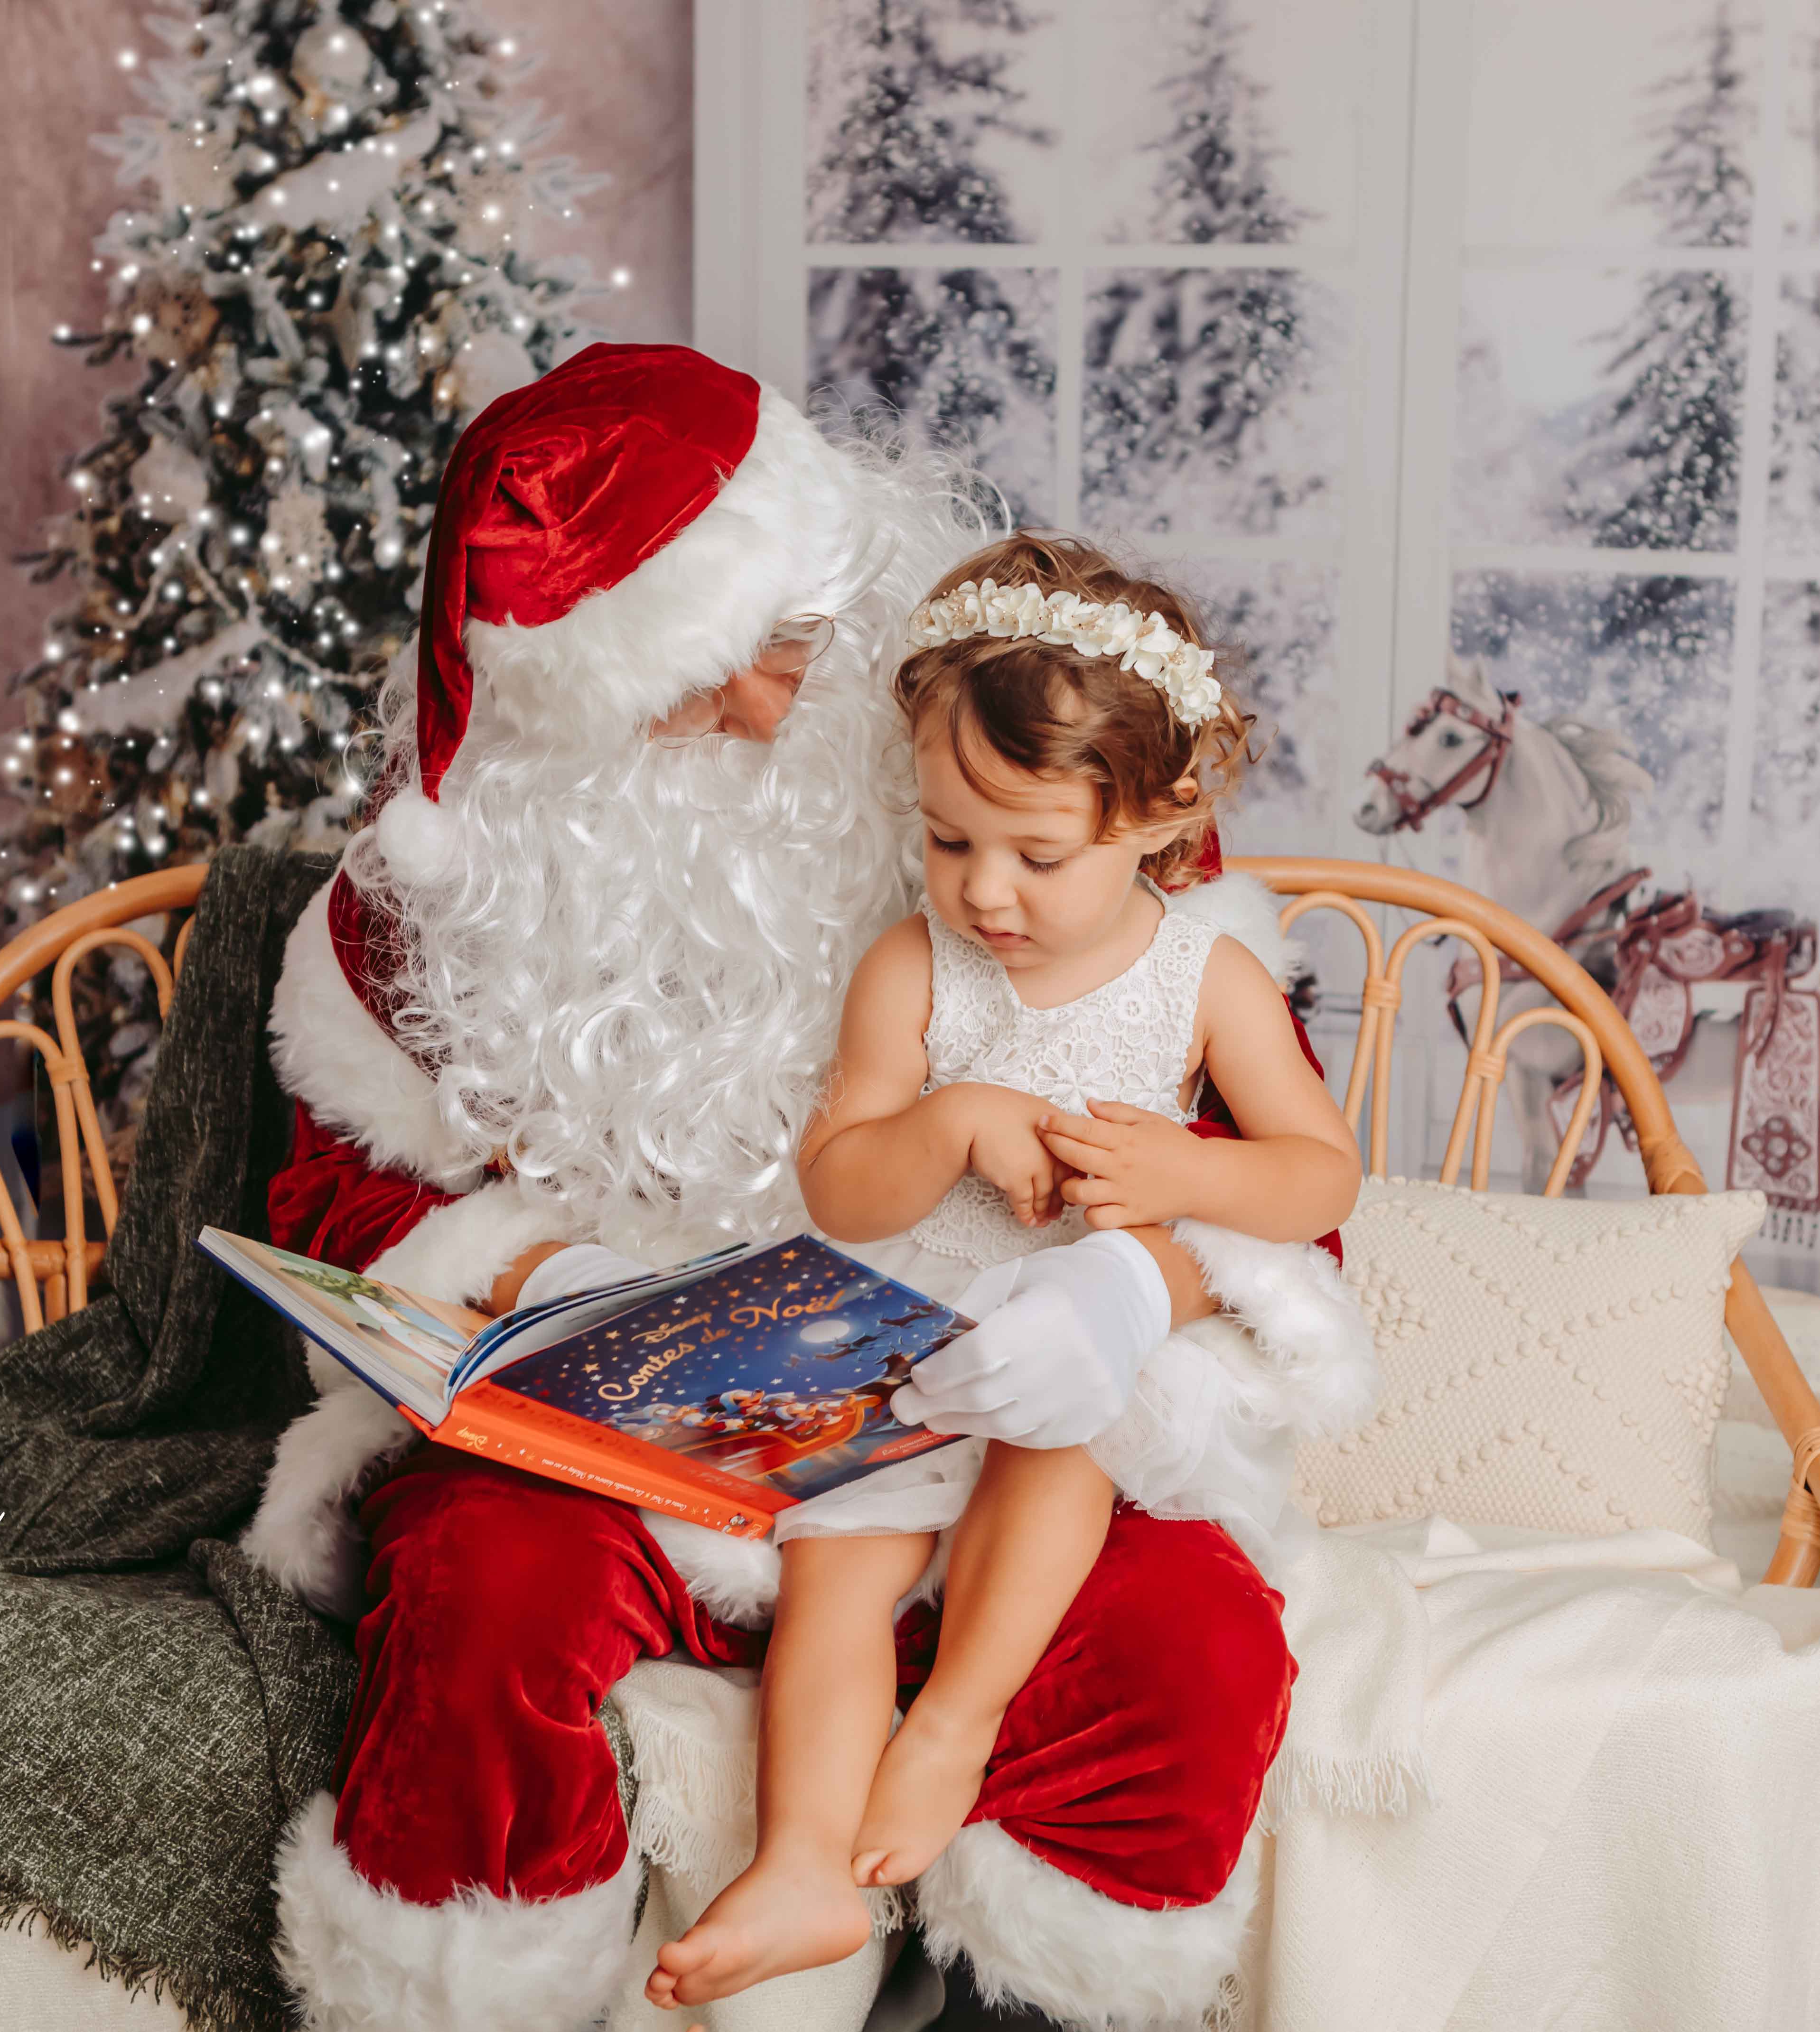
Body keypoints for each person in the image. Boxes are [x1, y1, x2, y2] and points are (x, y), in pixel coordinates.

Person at [240, 343, 1374, 2032]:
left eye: (789, 645)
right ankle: (468, 1998)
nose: (772, 711)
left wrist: (1139, 1287)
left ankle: (1034, 1996)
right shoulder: (423, 904)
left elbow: (1294, 1186)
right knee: (483, 1594)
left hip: (1000, 1407)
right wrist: (556, 1293)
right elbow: (345, 1206)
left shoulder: (1032, 768)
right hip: (621, 1444)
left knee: (1188, 1643)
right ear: (556, 717)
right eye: (693, 691)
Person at [645, 536, 1369, 2009]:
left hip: (1085, 1350)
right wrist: (953, 1122)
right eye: (948, 838)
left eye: (1038, 854)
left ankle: (952, 1725)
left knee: (1072, 1437)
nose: (987, 890)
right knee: (833, 1566)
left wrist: (1184, 1175)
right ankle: (800, 1866)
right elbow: (840, 1184)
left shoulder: (1204, 977)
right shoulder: (912, 970)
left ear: (1163, 817)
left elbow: (1320, 1174)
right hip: (913, 1332)